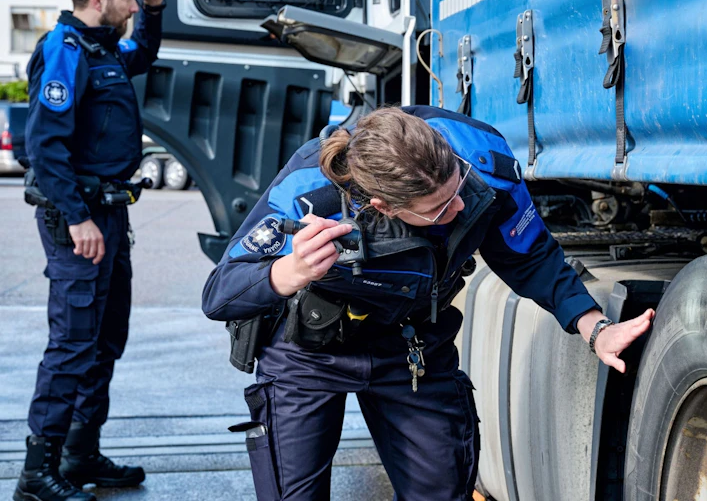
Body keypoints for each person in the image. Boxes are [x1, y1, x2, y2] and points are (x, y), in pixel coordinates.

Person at [201, 105, 655, 500]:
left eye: (457, 190)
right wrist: (291, 271)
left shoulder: (483, 159)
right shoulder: (309, 193)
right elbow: (220, 293)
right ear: (383, 207)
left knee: (440, 489)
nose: (458, 208)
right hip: (310, 350)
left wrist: (595, 326)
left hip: (410, 344)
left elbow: (530, 255)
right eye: (438, 209)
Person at [17, 0, 165, 501]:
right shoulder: (64, 49)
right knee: (72, 344)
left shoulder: (101, 49)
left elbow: (143, 53)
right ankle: (37, 474)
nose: (133, 4)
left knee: (105, 339)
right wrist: (78, 218)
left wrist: (154, 8)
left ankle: (79, 454)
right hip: (76, 217)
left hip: (107, 214)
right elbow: (45, 149)